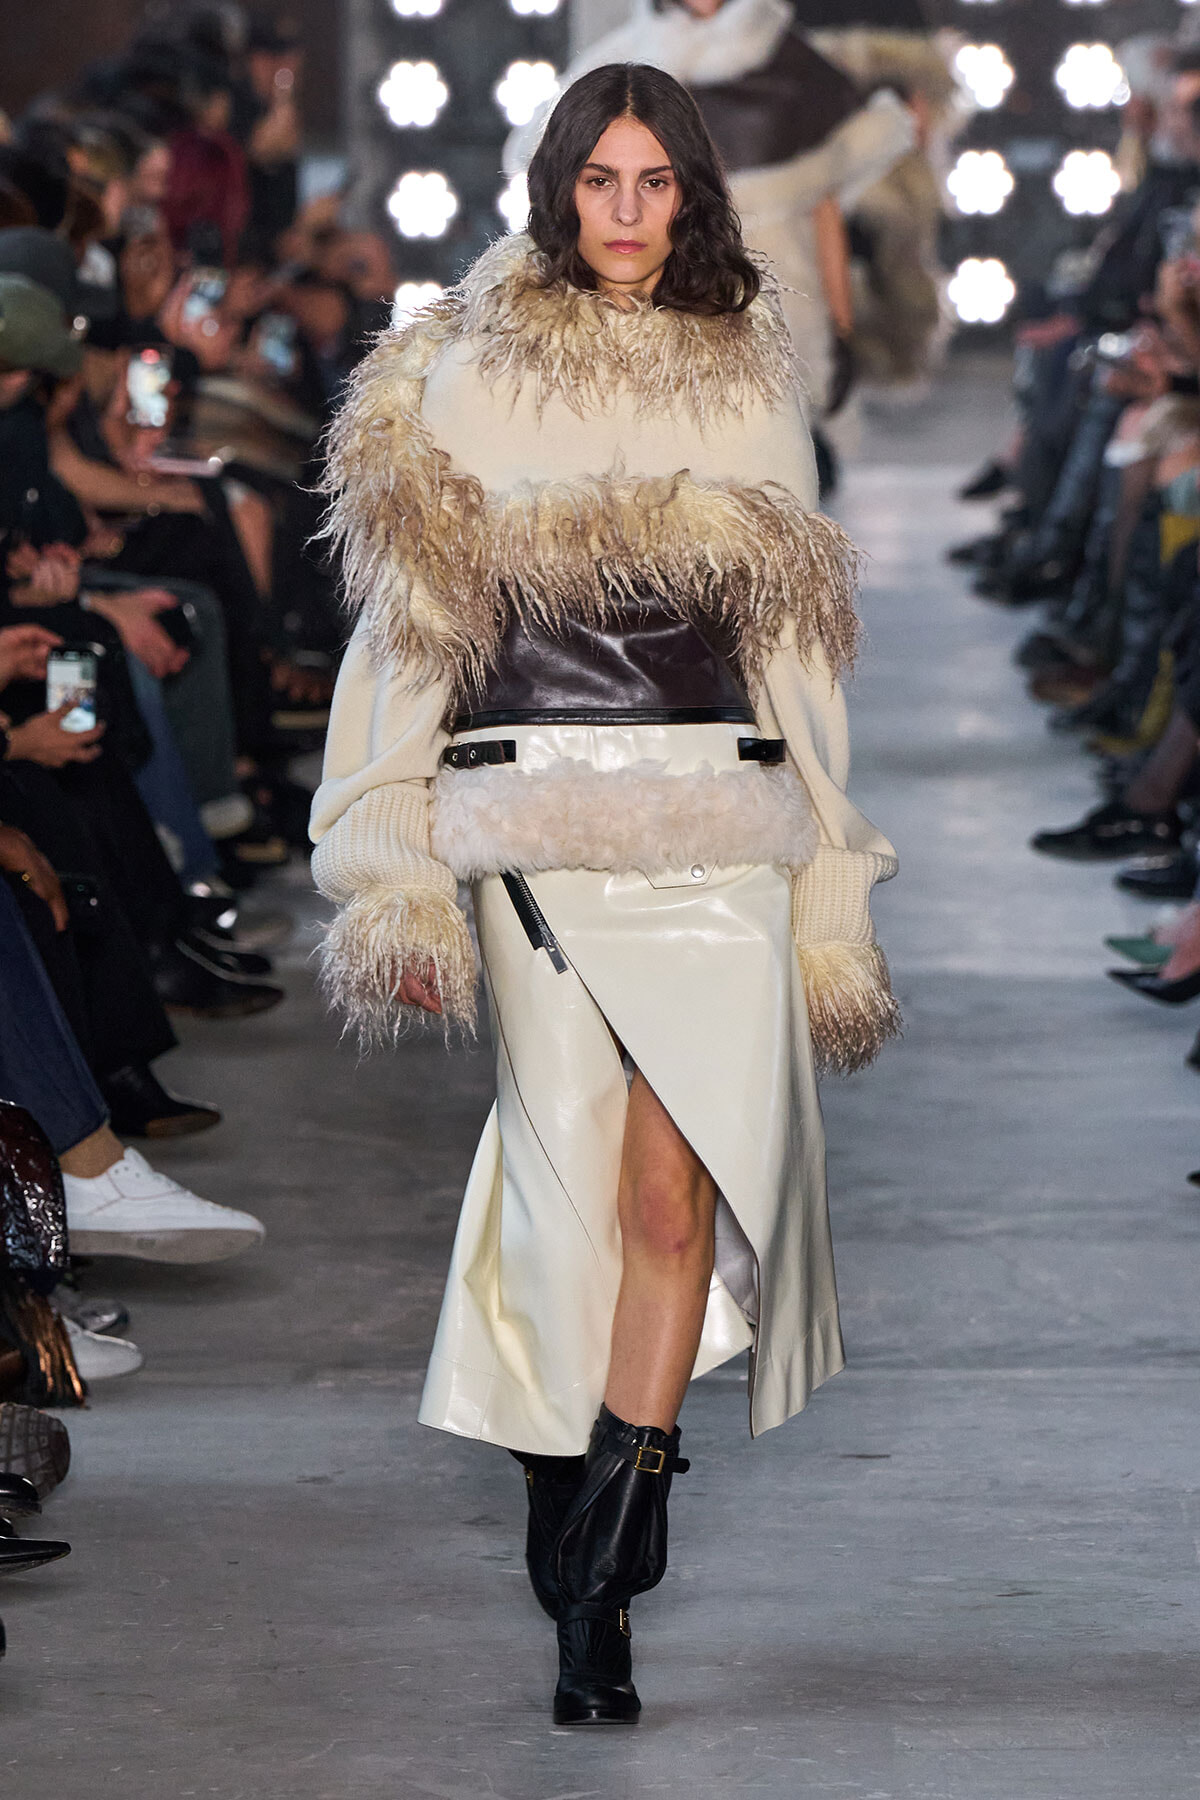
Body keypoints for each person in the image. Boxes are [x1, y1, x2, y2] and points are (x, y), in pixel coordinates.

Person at [312, 64, 898, 1725]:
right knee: (566, 1202)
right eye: (602, 180)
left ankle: (604, 1579)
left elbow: (800, 660)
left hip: (716, 820)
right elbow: (408, 639)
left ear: (691, 197)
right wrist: (391, 868)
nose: (628, 212)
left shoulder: (748, 373)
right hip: (535, 827)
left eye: (657, 182)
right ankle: (568, 1522)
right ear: (558, 188)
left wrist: (830, 884)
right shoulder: (464, 373)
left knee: (671, 1200)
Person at [505, 0, 915, 425]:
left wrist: (841, 329)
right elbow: (558, 185)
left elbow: (824, 211)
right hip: (652, 311)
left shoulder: (797, 67)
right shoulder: (619, 65)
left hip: (782, 302)